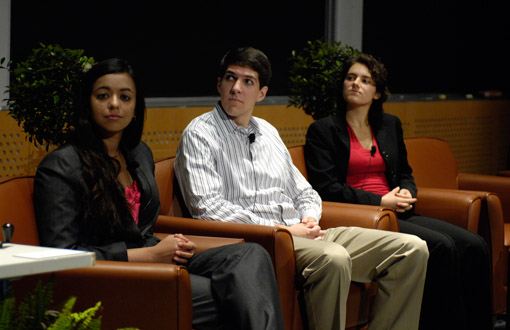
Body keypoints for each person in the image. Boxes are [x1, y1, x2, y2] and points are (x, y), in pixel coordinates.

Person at [175, 47, 429, 330]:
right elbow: (206, 207)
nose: (236, 88)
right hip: (257, 243)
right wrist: (282, 231)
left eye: (248, 81)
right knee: (333, 258)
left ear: (261, 93)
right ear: (219, 83)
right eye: (230, 78)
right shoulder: (200, 133)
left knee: (411, 250)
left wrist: (309, 218)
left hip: (303, 231)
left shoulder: (267, 132)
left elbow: (305, 191)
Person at [34, 58, 284, 330]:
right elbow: (61, 255)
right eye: (103, 95)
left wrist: (171, 245)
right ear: (87, 103)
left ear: (135, 108)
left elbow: (141, 229)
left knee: (250, 256)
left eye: (125, 97)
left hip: (151, 256)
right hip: (109, 276)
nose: (115, 103)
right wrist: (148, 256)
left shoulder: (139, 154)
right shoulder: (61, 165)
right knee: (230, 295)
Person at [304, 53, 492, 330]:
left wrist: (406, 191)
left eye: (365, 80)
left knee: (474, 245)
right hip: (365, 215)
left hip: (397, 209)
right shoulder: (323, 130)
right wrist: (380, 200)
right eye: (350, 78)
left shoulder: (389, 125)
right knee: (440, 245)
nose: (355, 84)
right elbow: (326, 187)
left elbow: (405, 172)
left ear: (378, 92)